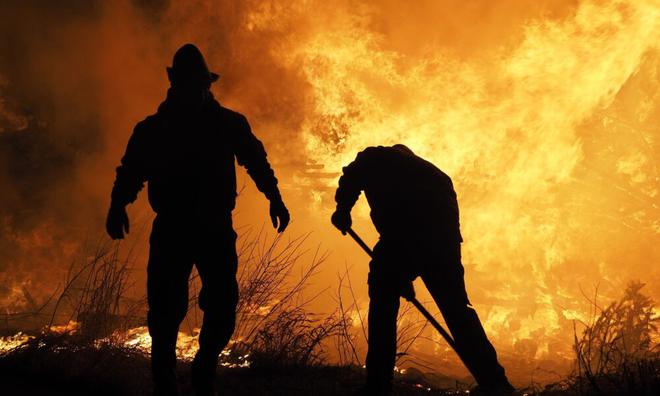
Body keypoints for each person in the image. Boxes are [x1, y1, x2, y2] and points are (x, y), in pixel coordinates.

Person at [105, 43, 290, 396]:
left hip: (214, 227)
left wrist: (275, 197)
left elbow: (255, 161)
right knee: (164, 310)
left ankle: (204, 367)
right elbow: (131, 171)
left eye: (199, 82)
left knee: (222, 304)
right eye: (188, 82)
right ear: (176, 84)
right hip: (173, 227)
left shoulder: (228, 123)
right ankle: (165, 382)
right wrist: (118, 205)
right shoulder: (153, 129)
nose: (194, 88)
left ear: (206, 84)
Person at [331, 144, 514, 396]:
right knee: (457, 309)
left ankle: (378, 384)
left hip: (407, 232)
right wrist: (407, 272)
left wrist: (342, 210)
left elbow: (352, 177)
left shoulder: (374, 157)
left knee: (382, 297)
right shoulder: (437, 175)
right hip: (442, 242)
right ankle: (495, 382)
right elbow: (443, 237)